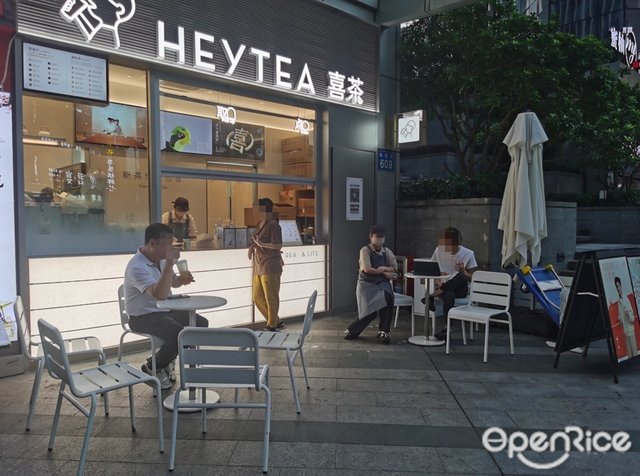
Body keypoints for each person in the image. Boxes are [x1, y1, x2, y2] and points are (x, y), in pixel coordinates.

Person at [123, 223, 208, 389]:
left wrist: (181, 280)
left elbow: (172, 283)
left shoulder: (161, 260)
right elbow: (159, 294)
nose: (171, 249)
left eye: (172, 244)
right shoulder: (136, 267)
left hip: (164, 310)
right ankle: (153, 366)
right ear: (152, 243)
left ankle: (167, 359)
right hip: (142, 316)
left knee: (200, 323)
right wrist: (169, 264)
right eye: (168, 245)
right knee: (180, 334)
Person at [344, 224, 398, 344]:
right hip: (366, 284)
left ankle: (384, 331)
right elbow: (367, 269)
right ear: (371, 236)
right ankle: (351, 330)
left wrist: (383, 269)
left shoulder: (386, 251)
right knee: (370, 312)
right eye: (377, 236)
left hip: (382, 283)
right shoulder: (365, 250)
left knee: (388, 298)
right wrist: (384, 272)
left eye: (382, 237)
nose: (380, 239)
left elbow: (395, 267)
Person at [428, 227, 477, 340]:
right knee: (449, 294)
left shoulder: (468, 253)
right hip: (444, 288)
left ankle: (431, 296)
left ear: (458, 243)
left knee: (460, 276)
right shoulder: (438, 251)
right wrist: (438, 279)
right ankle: (447, 329)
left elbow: (474, 277)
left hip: (461, 289)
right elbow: (432, 270)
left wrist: (464, 272)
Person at [248, 198, 285, 331]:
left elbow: (278, 245)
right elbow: (257, 241)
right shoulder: (260, 223)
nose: (254, 211)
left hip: (270, 265)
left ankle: (272, 325)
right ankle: (276, 321)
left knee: (271, 297)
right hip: (259, 265)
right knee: (257, 297)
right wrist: (252, 247)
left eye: (256, 208)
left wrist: (261, 244)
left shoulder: (273, 225)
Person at [615, 276, 638, 357]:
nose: (618, 288)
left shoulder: (626, 299)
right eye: (616, 287)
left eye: (619, 286)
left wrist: (628, 315)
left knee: (635, 355)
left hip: (631, 332)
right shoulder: (618, 301)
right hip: (626, 333)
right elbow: (620, 317)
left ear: (621, 286)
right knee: (629, 356)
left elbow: (632, 318)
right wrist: (620, 321)